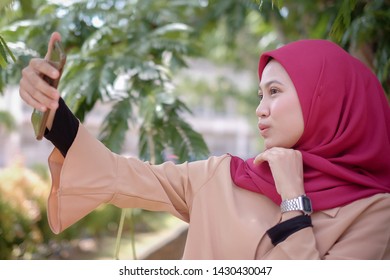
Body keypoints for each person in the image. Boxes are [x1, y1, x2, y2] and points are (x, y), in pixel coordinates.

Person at [19, 32, 390, 259]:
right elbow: (121, 175)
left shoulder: (374, 211)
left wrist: (294, 199)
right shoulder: (223, 178)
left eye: (274, 92)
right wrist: (55, 115)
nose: (260, 110)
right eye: (260, 94)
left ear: (325, 98)